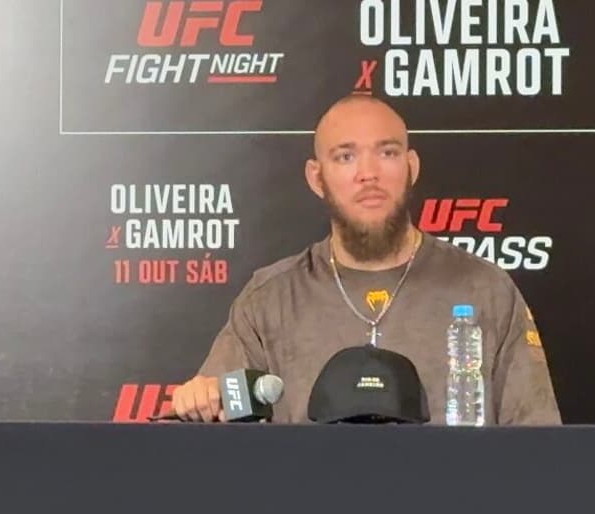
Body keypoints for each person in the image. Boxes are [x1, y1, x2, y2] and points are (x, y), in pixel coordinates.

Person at [172, 94, 561, 425]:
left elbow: (538, 444)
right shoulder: (269, 300)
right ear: (316, 178)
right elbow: (216, 437)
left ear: (411, 167)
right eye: (345, 156)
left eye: (387, 152)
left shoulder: (485, 290)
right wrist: (199, 402)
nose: (368, 173)